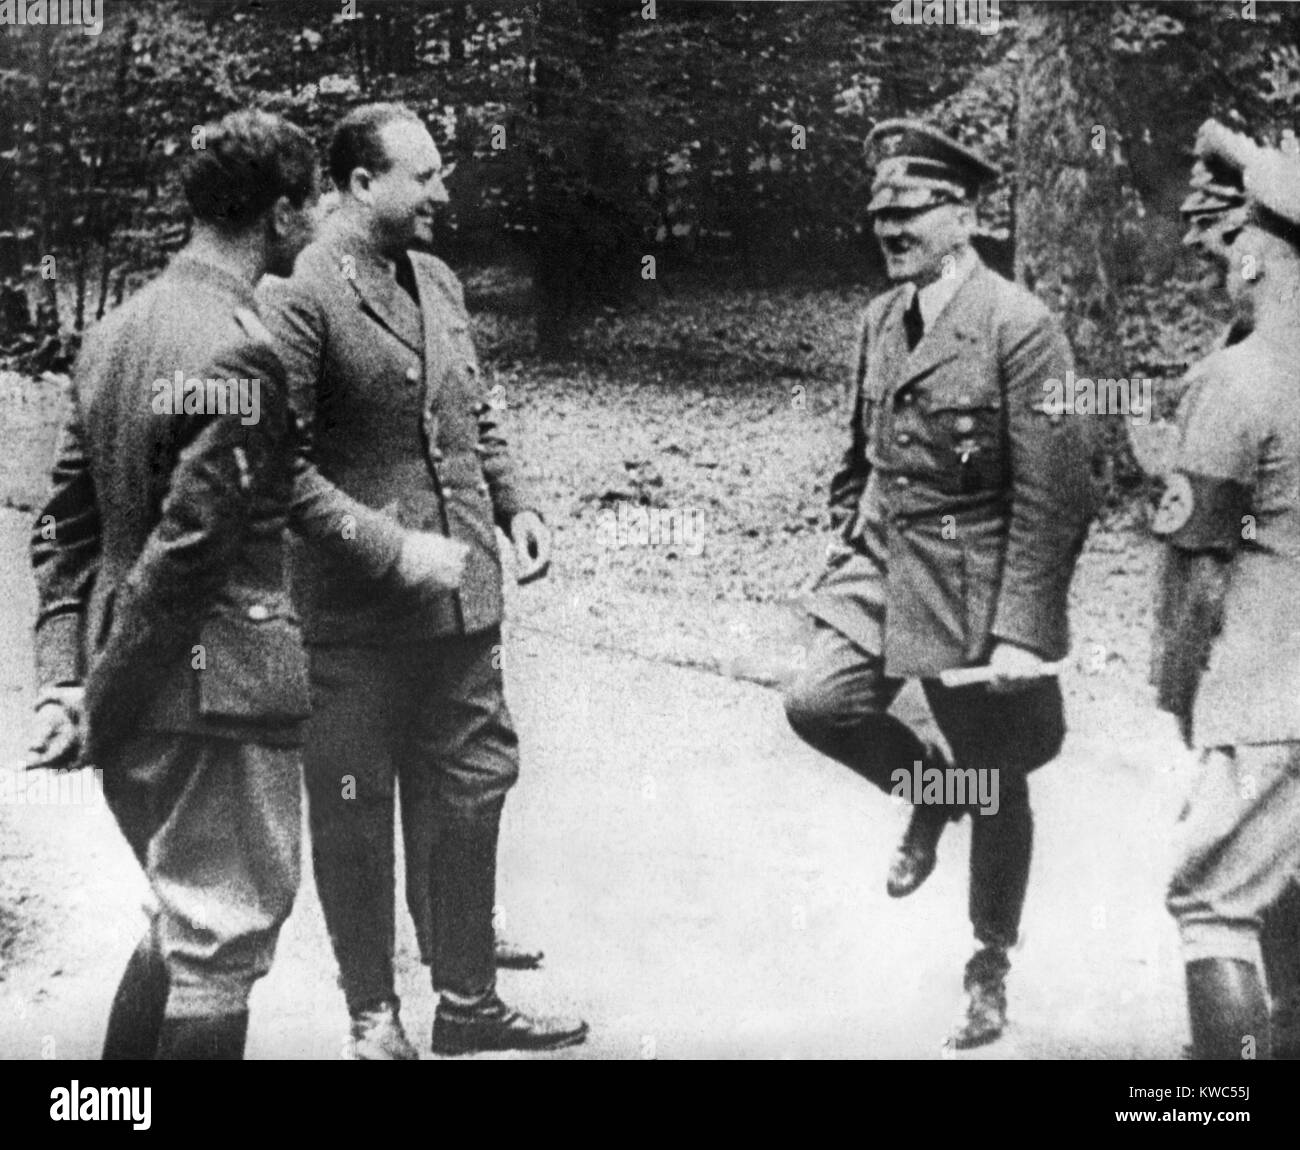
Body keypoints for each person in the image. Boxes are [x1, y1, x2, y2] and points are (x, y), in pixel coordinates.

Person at [258, 102, 587, 1059]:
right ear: (363, 185)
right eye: (426, 176)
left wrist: (518, 504)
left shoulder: (438, 280)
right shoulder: (299, 291)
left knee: (472, 783)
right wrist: (391, 549)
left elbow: (475, 414)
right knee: (357, 811)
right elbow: (279, 466)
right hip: (352, 617)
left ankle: (469, 1003)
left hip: (462, 599)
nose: (445, 191)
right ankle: (373, 1018)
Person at [782, 119, 1096, 1049]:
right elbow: (859, 447)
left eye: (910, 211)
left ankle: (988, 963)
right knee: (815, 703)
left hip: (971, 575)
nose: (890, 229)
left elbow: (1057, 493)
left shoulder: (1019, 326)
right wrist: (849, 524)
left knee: (1000, 776)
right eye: (880, 213)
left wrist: (1021, 631)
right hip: (883, 560)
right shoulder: (882, 317)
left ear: (963, 215)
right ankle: (932, 789)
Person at [27, 110, 321, 1059]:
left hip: (143, 694)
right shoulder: (242, 351)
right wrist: (101, 702)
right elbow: (187, 555)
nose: (311, 225)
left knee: (179, 918)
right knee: (218, 943)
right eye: (306, 205)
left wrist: (64, 682)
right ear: (279, 216)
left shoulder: (112, 335)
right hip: (212, 697)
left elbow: (65, 529)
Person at [1153, 121, 1300, 1061]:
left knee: (1211, 898)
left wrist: (1181, 695)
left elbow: (1199, 575)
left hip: (1267, 691)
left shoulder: (1236, 383)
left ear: (1259, 261)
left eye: (1238, 241)